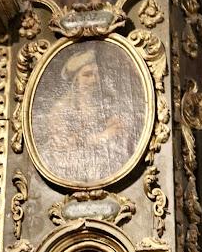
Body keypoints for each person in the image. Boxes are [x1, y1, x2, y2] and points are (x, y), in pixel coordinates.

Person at [38, 47, 139, 184]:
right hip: (72, 169)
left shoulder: (103, 102)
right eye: (87, 74)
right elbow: (62, 148)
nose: (94, 80)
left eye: (96, 74)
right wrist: (102, 136)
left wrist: (116, 126)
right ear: (75, 80)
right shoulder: (61, 109)